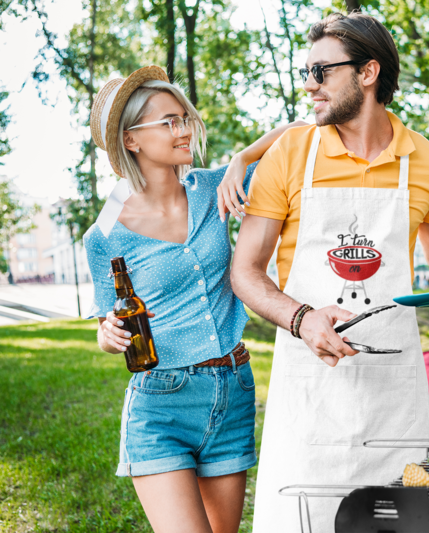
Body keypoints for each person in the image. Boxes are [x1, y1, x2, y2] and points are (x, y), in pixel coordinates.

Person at [230, 13, 429, 532]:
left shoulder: (427, 161)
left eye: (321, 71)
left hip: (394, 395)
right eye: (305, 71)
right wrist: (302, 319)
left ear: (367, 72)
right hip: (309, 391)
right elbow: (245, 271)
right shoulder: (290, 154)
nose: (307, 84)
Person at [83, 65, 304, 533]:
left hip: (233, 388)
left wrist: (243, 157)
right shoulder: (103, 236)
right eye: (167, 122)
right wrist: (108, 334)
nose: (183, 130)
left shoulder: (212, 190)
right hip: (161, 402)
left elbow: (300, 128)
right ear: (131, 141)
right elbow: (109, 327)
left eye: (184, 118)